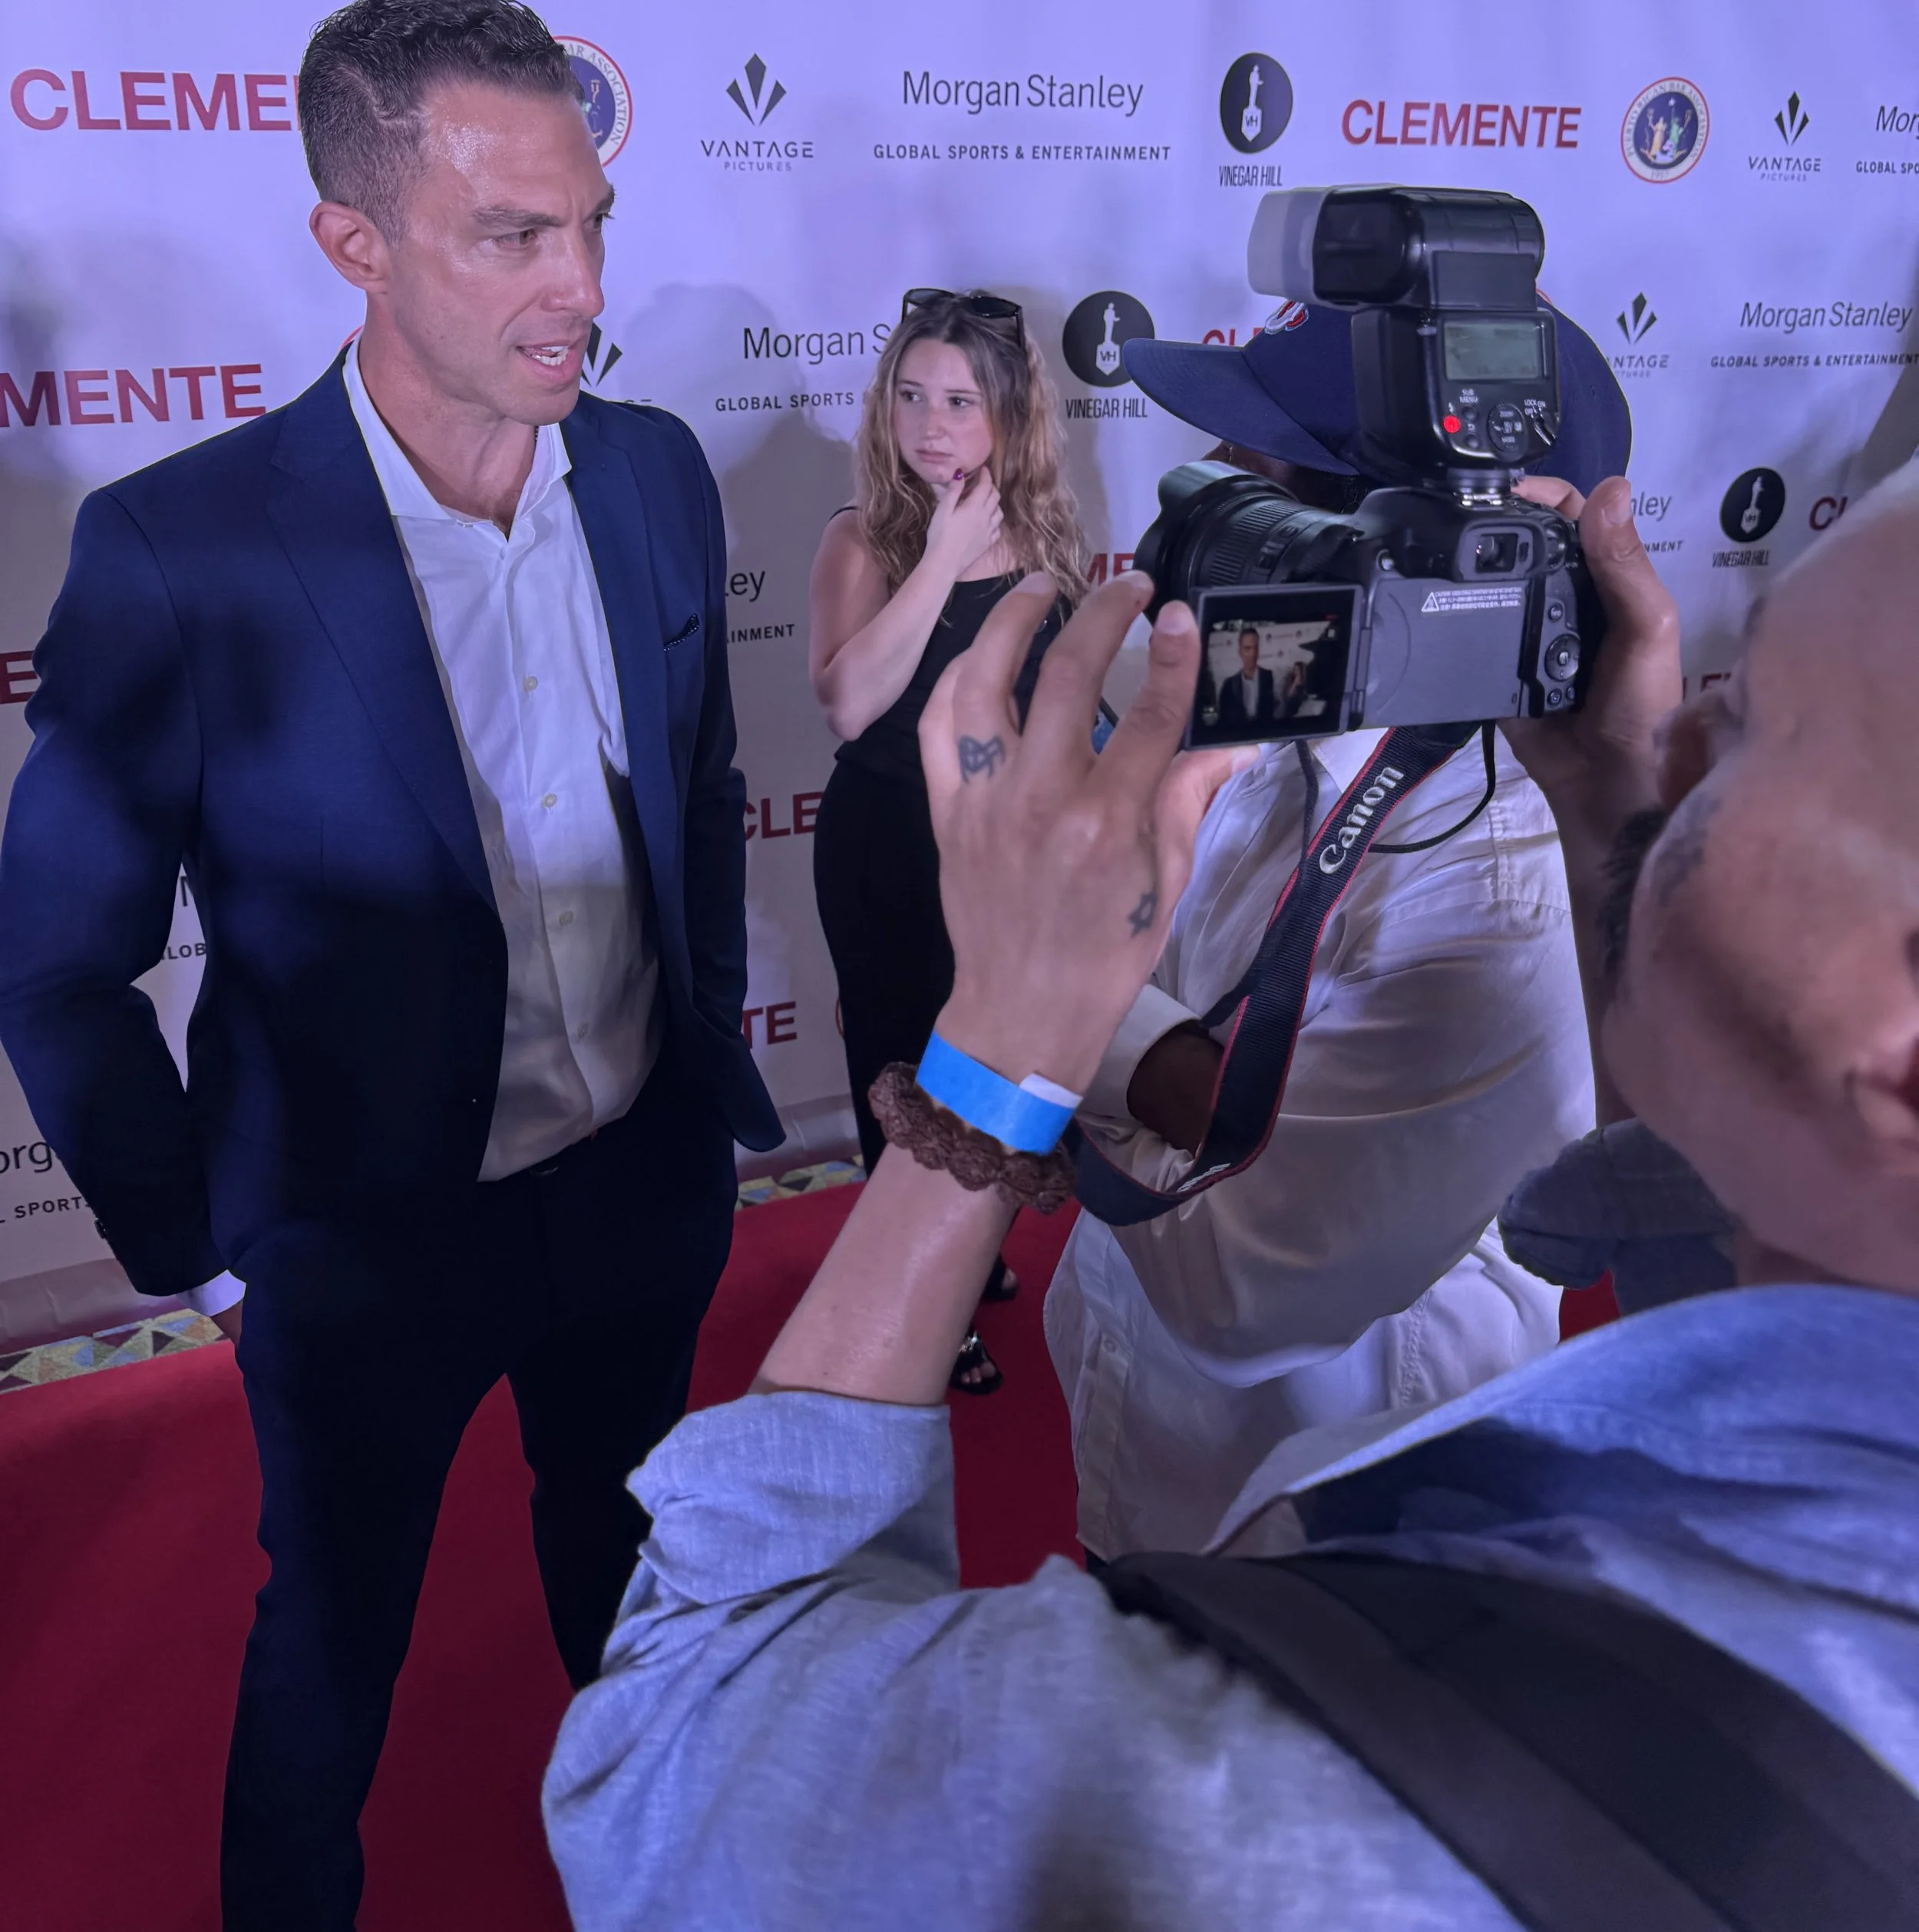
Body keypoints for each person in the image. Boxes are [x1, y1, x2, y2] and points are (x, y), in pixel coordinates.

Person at [542, 461, 1919, 1930]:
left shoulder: (1365, 1770)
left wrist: (1015, 1043)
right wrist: (1616, 812)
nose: (1685, 730)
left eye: (1756, 725)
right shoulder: (1820, 1247)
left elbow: (687, 1755)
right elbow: (1701, 1229)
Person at [0, 0, 782, 1931]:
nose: (576, 284)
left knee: (642, 1601)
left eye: (590, 222)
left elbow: (698, 787)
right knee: (325, 1659)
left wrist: (700, 1090)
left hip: (636, 1193)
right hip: (359, 1248)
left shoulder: (662, 475)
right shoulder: (185, 550)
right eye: (511, 235)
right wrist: (210, 1244)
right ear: (352, 240)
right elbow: (55, 967)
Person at [1045, 308, 1609, 1559]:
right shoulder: (1261, 707)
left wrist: (1066, 1010)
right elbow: (1205, 1108)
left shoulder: (1508, 863)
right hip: (1150, 1463)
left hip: (1339, 1546)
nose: (1204, 503)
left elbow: (1241, 1289)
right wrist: (1172, 1084)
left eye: (1255, 477)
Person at [808, 288, 1087, 1392]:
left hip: (1000, 854)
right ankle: (915, 1305)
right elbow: (846, 704)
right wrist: (939, 555)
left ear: (1010, 420)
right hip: (884, 843)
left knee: (988, 1073)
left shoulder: (1052, 536)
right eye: (911, 396)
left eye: (960, 402)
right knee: (899, 1073)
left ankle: (966, 1254)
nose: (930, 425)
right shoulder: (860, 537)